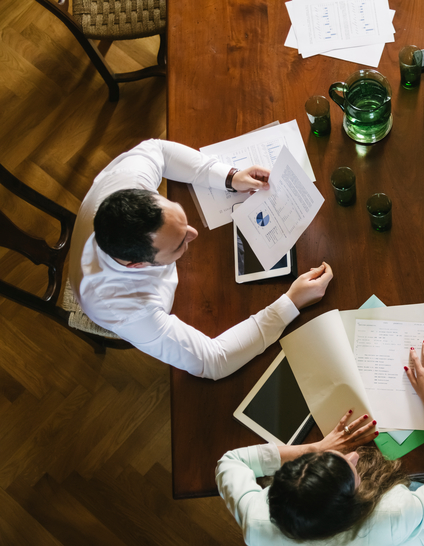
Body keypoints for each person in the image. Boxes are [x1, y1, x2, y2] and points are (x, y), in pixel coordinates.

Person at [68, 139, 334, 380]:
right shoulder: (128, 310)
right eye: (179, 244)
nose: (194, 234)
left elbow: (157, 149)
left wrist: (229, 177)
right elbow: (214, 361)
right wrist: (291, 302)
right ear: (138, 265)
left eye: (182, 221)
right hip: (158, 307)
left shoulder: (127, 181)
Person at [216, 342, 424, 546]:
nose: (352, 455)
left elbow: (230, 462)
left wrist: (316, 447)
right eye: (352, 466)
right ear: (355, 500)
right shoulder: (395, 511)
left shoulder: (256, 522)